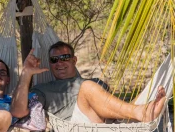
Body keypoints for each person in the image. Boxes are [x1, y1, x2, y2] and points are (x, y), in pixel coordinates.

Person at [10, 41, 166, 124]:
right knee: (88, 87)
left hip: (108, 124)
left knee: (92, 84)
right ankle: (140, 112)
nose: (59, 63)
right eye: (54, 60)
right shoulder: (42, 89)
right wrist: (26, 74)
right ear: (50, 63)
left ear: (74, 60)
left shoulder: (95, 82)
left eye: (64, 58)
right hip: (79, 129)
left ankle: (137, 111)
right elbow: (17, 112)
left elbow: (111, 110)